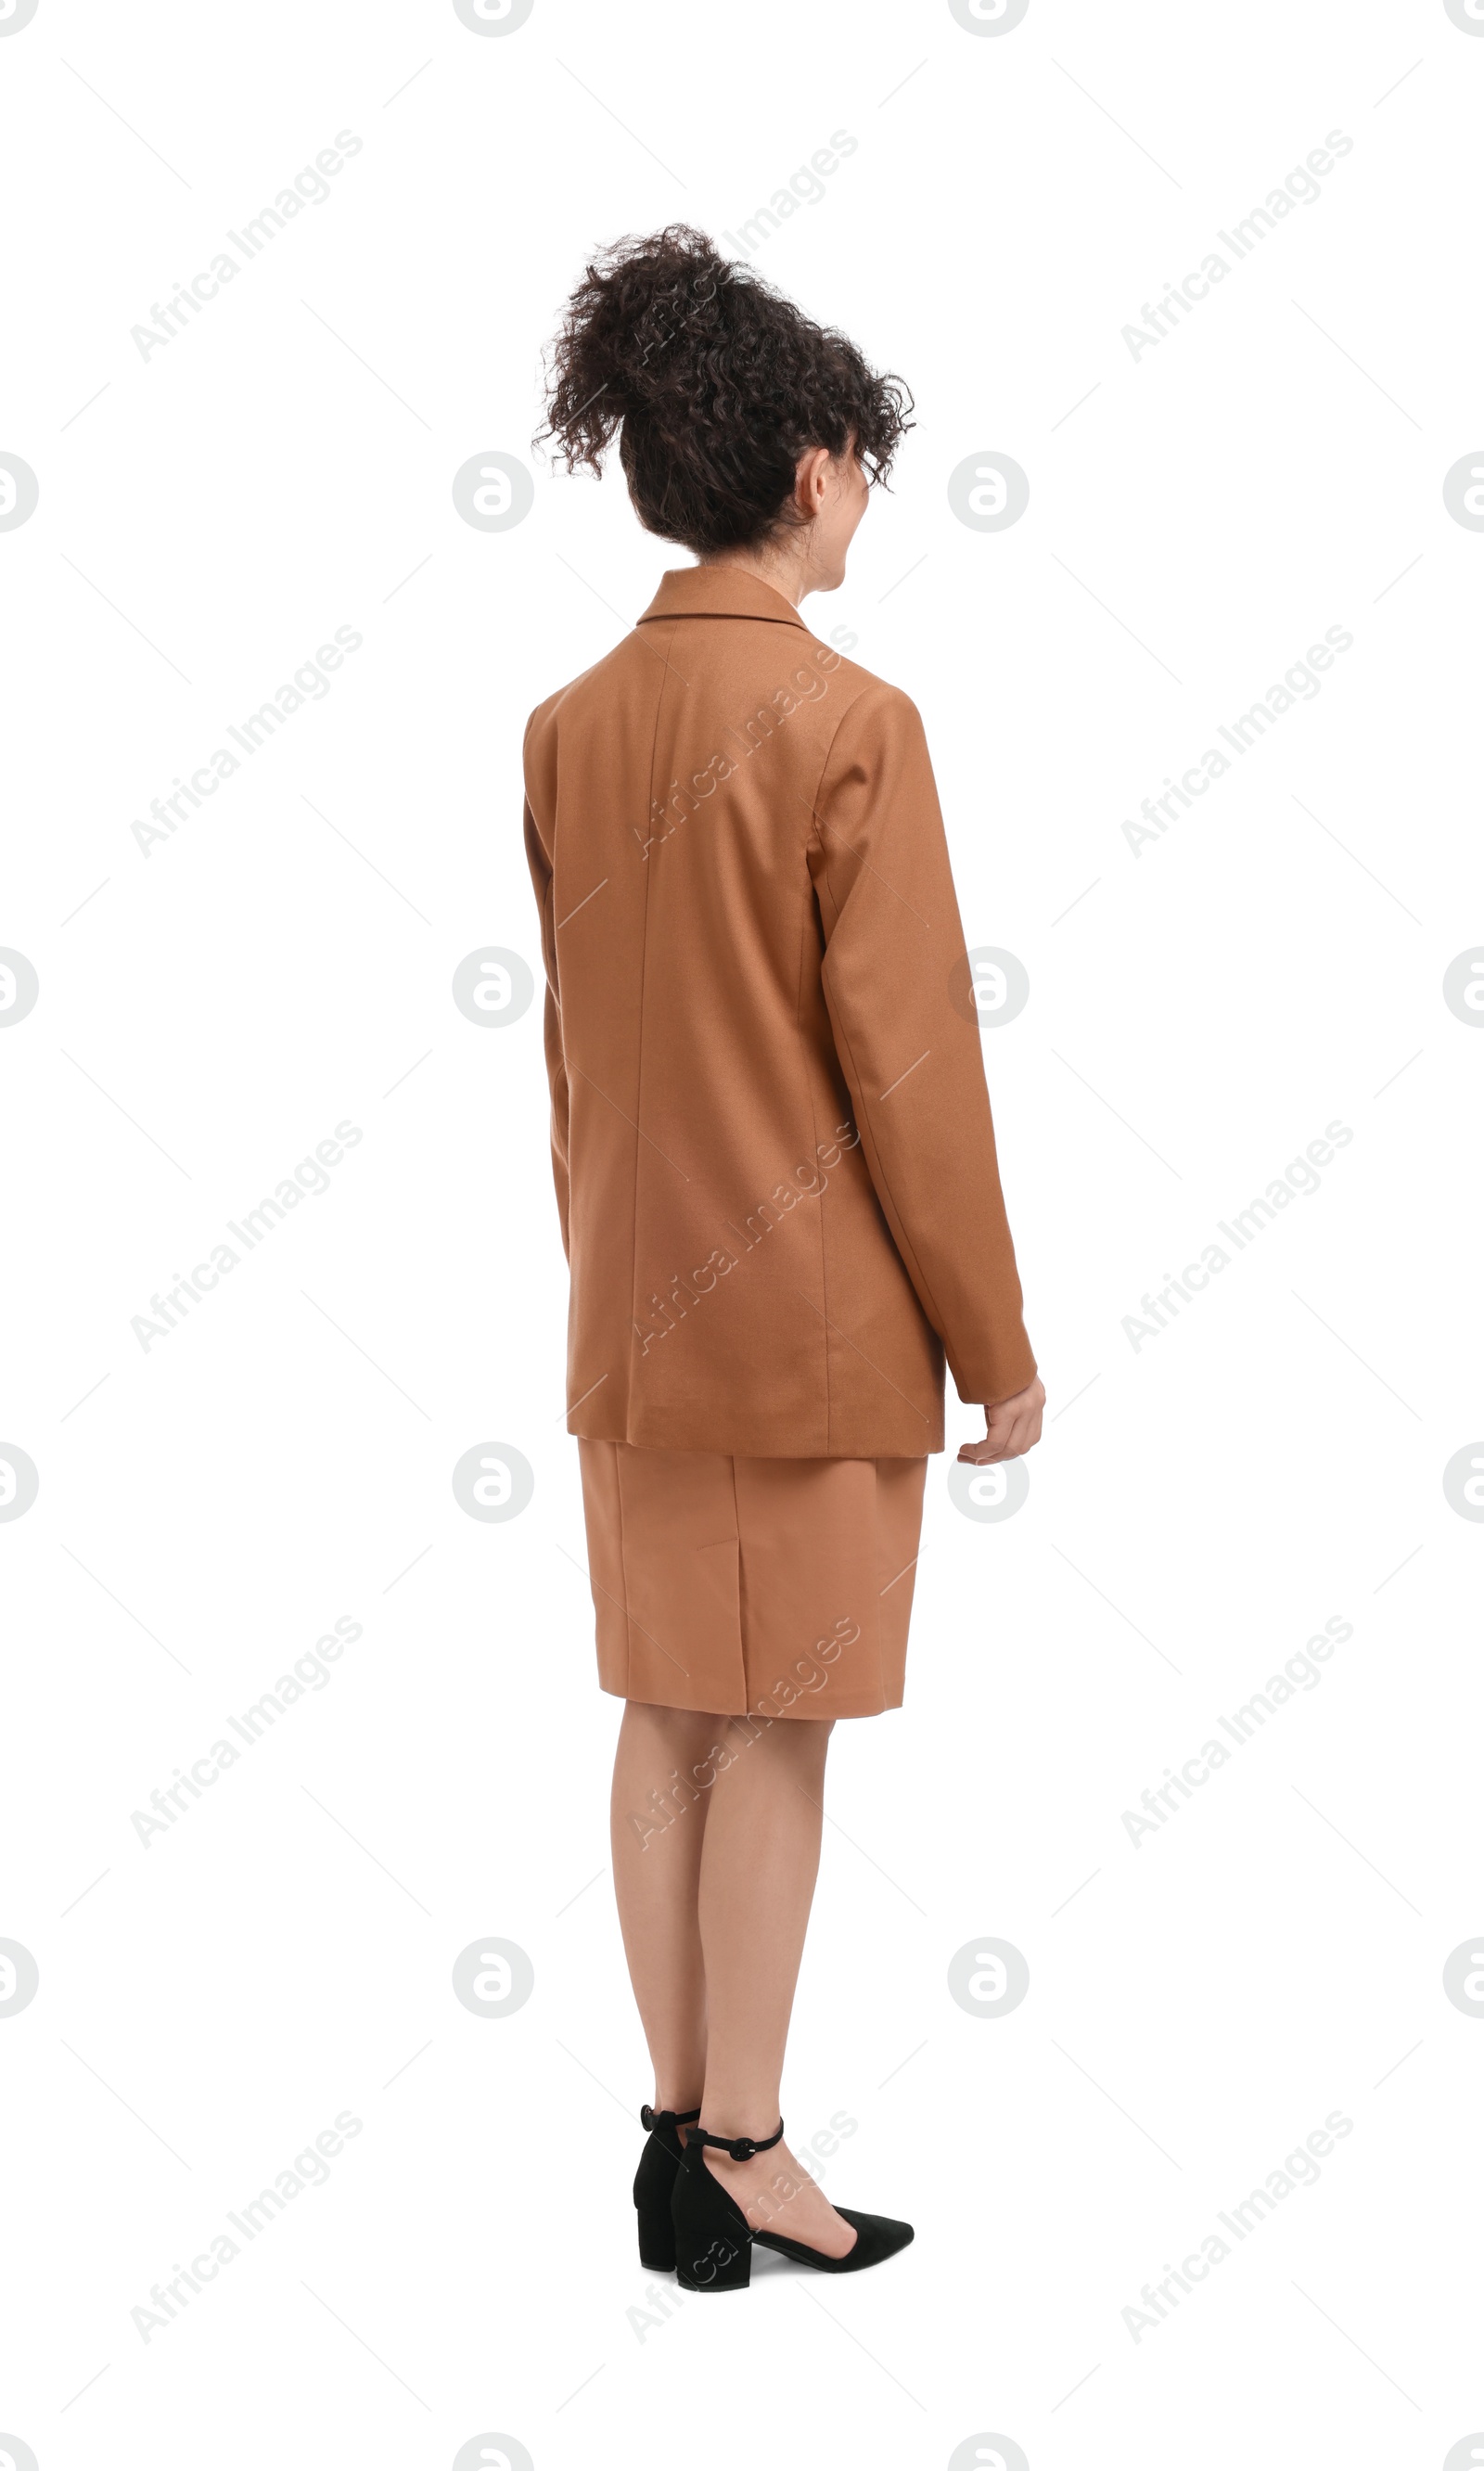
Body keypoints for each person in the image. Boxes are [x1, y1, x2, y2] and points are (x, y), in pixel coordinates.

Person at [524, 225, 1043, 2290]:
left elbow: (580, 1072)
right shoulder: (849, 723)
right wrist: (994, 1345)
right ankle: (746, 2150)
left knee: (663, 1723)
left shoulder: (565, 728)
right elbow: (910, 1076)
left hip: (628, 1335)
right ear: (812, 464)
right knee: (779, 1743)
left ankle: (671, 2142)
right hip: (816, 1341)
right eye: (859, 470)